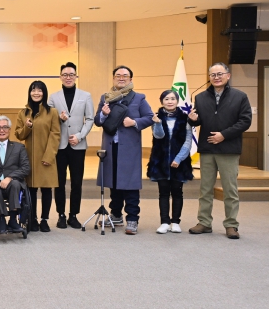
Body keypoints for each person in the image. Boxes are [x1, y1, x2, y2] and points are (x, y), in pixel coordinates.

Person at [188, 62, 252, 239]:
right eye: (213, 75)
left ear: (228, 76)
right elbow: (198, 121)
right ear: (209, 77)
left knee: (230, 190)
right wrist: (192, 119)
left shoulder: (240, 96)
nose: (216, 77)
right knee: (205, 189)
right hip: (207, 149)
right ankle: (204, 222)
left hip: (229, 149)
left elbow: (245, 121)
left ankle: (231, 225)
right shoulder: (200, 97)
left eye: (219, 74)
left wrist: (224, 135)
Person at [95, 65, 153, 235]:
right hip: (110, 147)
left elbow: (150, 117)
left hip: (129, 150)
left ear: (130, 79)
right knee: (113, 183)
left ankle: (133, 219)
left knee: (130, 185)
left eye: (125, 76)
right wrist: (103, 114)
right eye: (118, 75)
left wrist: (134, 122)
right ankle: (116, 215)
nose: (121, 78)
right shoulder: (105, 98)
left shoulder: (139, 98)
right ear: (113, 78)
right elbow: (98, 121)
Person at [48, 62, 94, 229]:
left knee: (76, 183)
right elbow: (48, 120)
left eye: (71, 74)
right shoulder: (53, 97)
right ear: (60, 77)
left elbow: (90, 119)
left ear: (76, 76)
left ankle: (73, 215)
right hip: (59, 146)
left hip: (78, 145)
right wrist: (59, 119)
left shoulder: (85, 95)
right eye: (65, 75)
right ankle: (60, 214)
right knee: (59, 182)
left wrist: (80, 136)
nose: (68, 77)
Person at [15, 81, 61, 233]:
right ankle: (32, 218)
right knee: (31, 190)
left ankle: (44, 220)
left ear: (44, 93)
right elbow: (19, 135)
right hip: (29, 158)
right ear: (29, 93)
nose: (36, 93)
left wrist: (49, 156)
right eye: (33, 90)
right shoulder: (23, 113)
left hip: (47, 157)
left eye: (39, 90)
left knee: (46, 190)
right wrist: (27, 127)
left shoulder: (52, 112)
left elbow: (55, 134)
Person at [147, 90, 194, 234]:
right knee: (163, 193)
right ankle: (164, 222)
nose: (170, 101)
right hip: (160, 161)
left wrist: (178, 159)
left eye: (173, 98)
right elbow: (158, 136)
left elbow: (188, 140)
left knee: (177, 192)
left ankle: (175, 222)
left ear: (177, 101)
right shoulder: (156, 117)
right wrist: (157, 123)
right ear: (162, 101)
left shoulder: (185, 118)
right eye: (166, 99)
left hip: (180, 162)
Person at [0, 116, 31, 234]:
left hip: (12, 182)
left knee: (15, 183)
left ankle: (13, 220)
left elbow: (25, 168)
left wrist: (9, 177)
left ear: (9, 129)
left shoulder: (19, 147)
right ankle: (2, 219)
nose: (1, 130)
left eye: (5, 127)